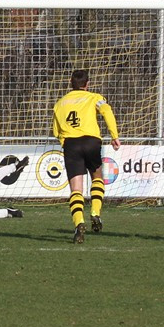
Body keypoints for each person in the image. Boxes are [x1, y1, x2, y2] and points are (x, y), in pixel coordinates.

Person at [52, 69, 121, 243]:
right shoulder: (94, 97)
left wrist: (64, 142)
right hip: (91, 141)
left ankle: (79, 224)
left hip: (71, 144)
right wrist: (114, 135)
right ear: (87, 84)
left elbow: (56, 130)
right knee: (97, 177)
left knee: (76, 189)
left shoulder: (60, 103)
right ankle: (95, 212)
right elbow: (107, 111)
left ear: (71, 83)